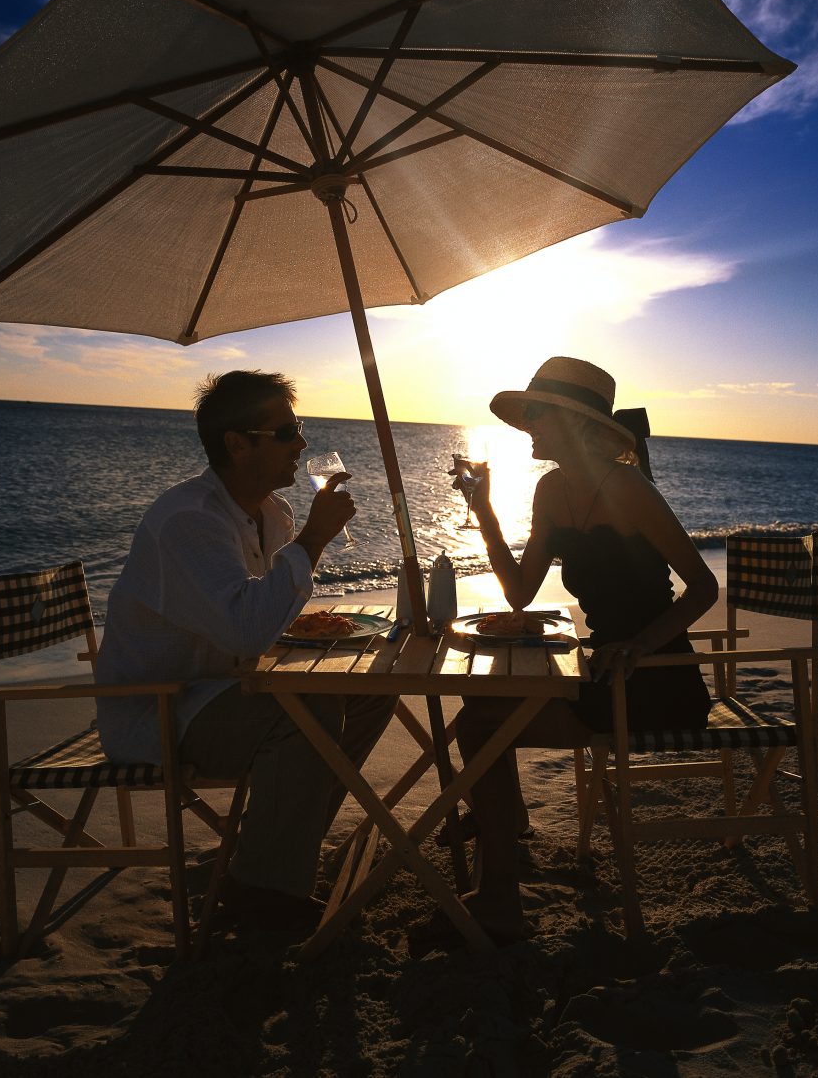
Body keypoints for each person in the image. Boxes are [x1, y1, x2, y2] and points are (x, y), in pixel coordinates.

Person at [95, 370, 397, 933]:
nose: (301, 443)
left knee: (371, 692)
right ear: (237, 444)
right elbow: (245, 629)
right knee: (310, 712)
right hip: (160, 711)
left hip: (223, 689)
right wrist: (314, 539)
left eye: (299, 428)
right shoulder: (189, 520)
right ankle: (264, 891)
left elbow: (265, 616)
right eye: (285, 432)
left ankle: (271, 851)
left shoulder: (270, 514)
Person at [438, 356, 718, 946]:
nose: (527, 425)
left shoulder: (629, 489)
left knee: (482, 727)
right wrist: (484, 511)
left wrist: (638, 645)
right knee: (480, 705)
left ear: (574, 421)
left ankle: (500, 889)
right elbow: (519, 592)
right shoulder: (551, 489)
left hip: (656, 677)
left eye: (537, 413)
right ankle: (507, 826)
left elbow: (703, 587)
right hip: (602, 668)